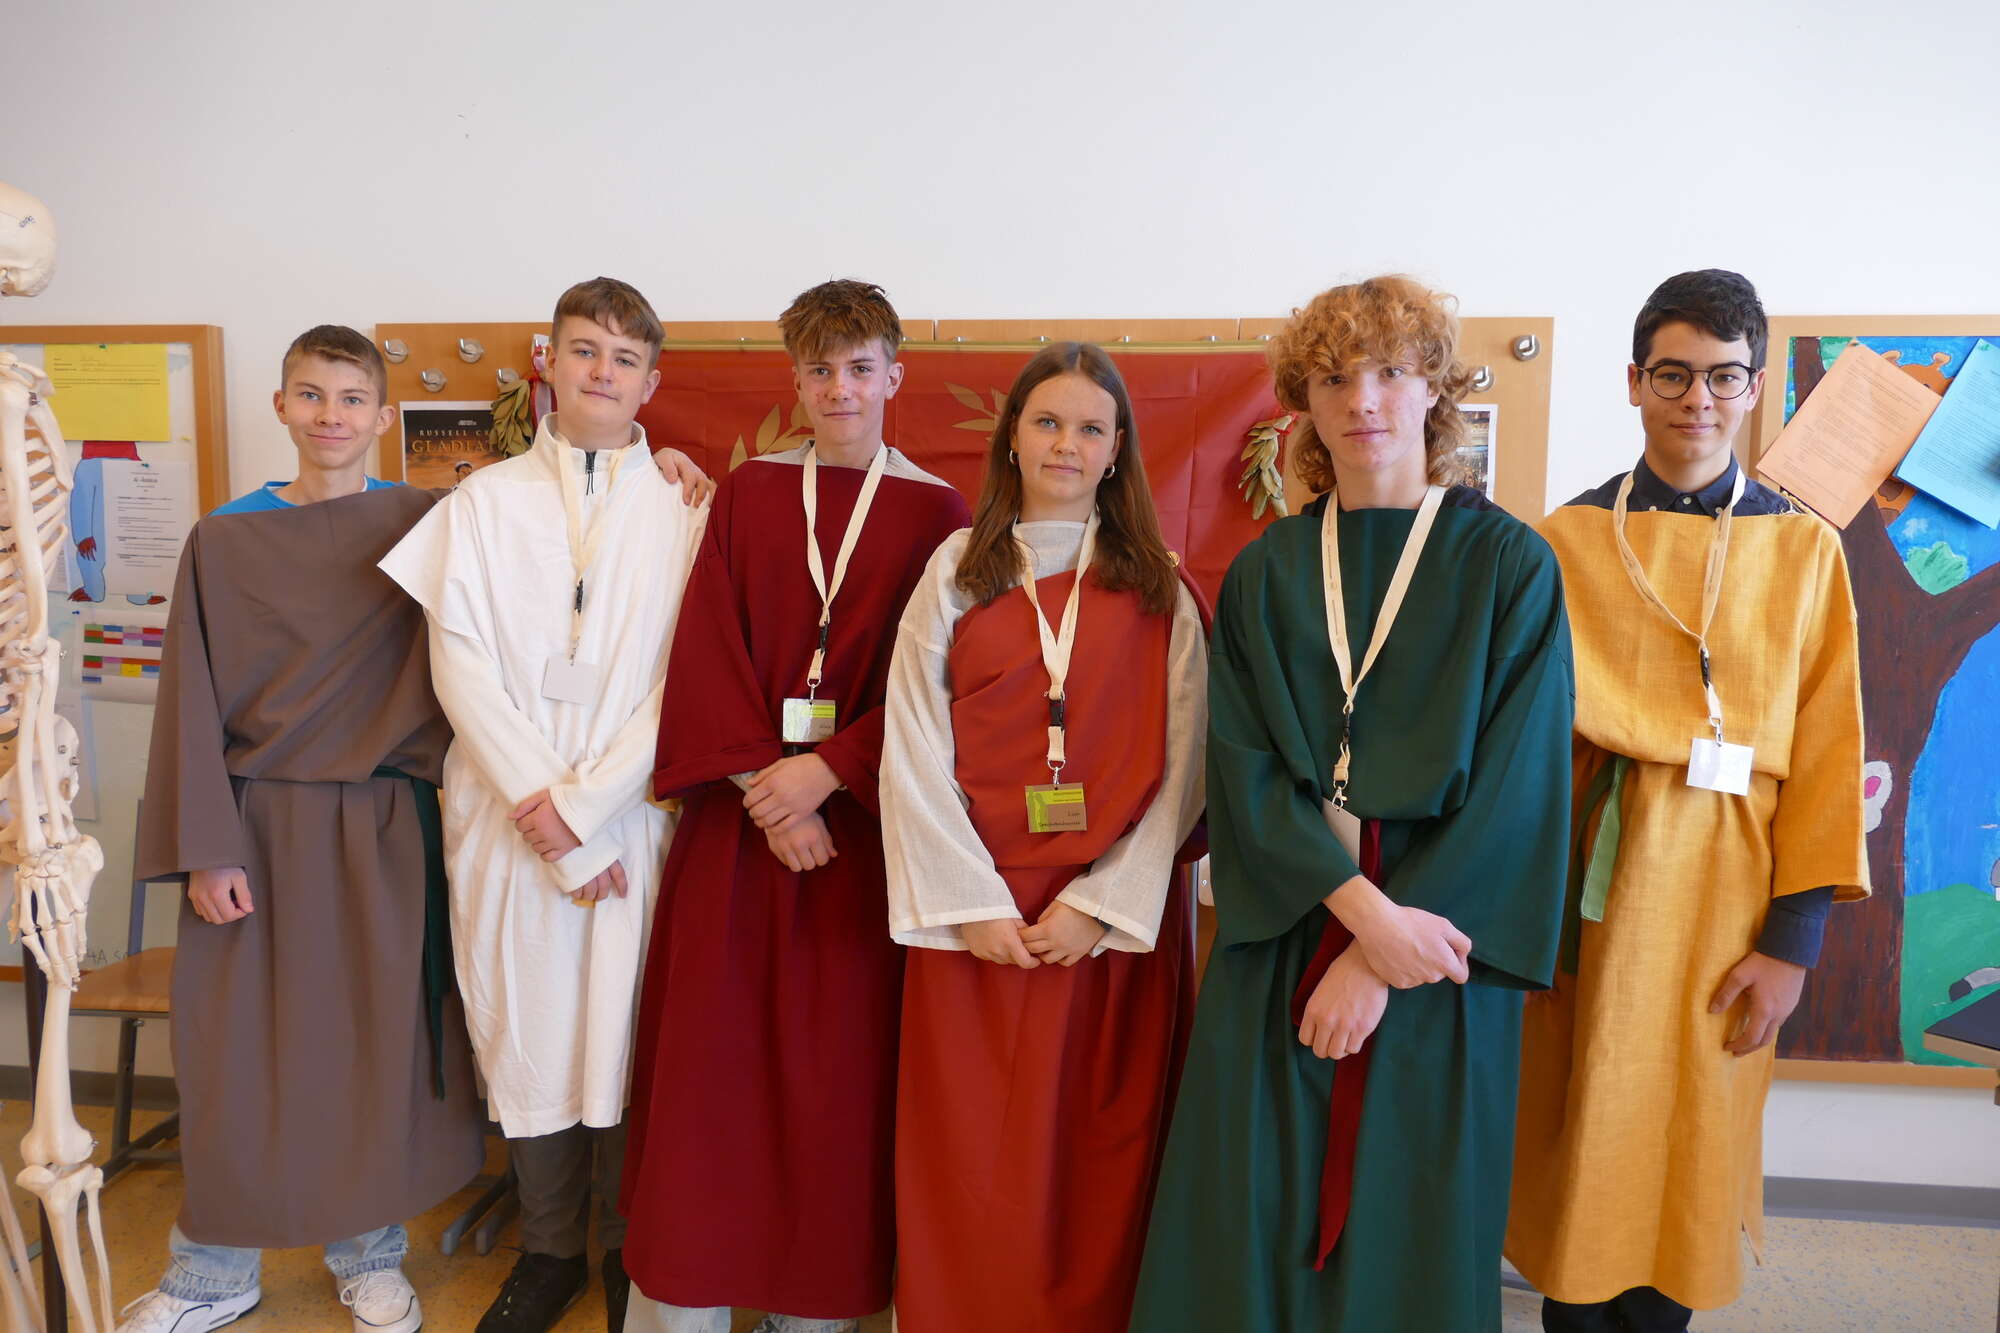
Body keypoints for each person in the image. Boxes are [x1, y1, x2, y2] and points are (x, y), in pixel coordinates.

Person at [1129, 275, 1575, 1331]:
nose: (1361, 399)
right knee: (1252, 1205)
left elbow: (1518, 784)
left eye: (1388, 371)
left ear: (1433, 388)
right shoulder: (1269, 569)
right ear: (1305, 404)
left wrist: (1380, 955)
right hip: (1293, 920)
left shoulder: (1508, 563)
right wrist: (1356, 915)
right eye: (1333, 379)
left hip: (1437, 944)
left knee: (1409, 1214)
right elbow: (1243, 767)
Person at [1507, 269, 1868, 1333]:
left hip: (1726, 891)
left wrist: (1791, 942)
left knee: (1692, 1137)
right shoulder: (1562, 539)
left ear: (1753, 387)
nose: (1696, 399)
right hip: (1589, 882)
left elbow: (1828, 750)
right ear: (1633, 381)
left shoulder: (1805, 548)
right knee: (1584, 1127)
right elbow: (1516, 739)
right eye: (1671, 374)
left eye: (1722, 376)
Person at [620, 279, 971, 1333]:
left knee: (829, 1087)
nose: (839, 388)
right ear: (796, 379)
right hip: (738, 834)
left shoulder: (939, 515)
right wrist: (766, 790)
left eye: (859, 367)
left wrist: (827, 772)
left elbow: (942, 682)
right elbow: (705, 646)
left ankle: (807, 1311)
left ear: (894, 375)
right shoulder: (749, 493)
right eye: (819, 369)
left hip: (856, 844)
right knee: (709, 1079)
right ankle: (683, 1302)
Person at [120, 325, 486, 1333]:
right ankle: (212, 1271)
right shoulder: (224, 539)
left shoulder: (428, 525)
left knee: (370, 1045)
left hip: (382, 823)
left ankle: (369, 1254)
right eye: (312, 394)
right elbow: (189, 699)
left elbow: (547, 532)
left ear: (382, 415)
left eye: (351, 397)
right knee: (234, 1051)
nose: (331, 415)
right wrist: (206, 848)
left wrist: (665, 466)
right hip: (255, 825)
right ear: (280, 405)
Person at [380, 277, 711, 1333]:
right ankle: (549, 1249)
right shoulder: (480, 504)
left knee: (623, 1029)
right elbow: (459, 667)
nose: (602, 371)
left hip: (631, 817)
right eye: (584, 350)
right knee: (525, 1031)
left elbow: (690, 678)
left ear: (650, 380)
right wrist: (549, 812)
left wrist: (590, 805)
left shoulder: (687, 509)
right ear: (548, 364)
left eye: (624, 357)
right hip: (509, 822)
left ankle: (623, 1248)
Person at [879, 343, 1206, 1332]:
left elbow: (1188, 760)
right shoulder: (954, 571)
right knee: (969, 1158)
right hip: (976, 924)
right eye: (1048, 422)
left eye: (1090, 428)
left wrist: (1102, 904)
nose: (1067, 443)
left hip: (1106, 929)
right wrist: (969, 904)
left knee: (1096, 1161)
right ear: (1012, 437)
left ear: (1117, 449)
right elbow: (911, 743)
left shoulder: (1159, 587)